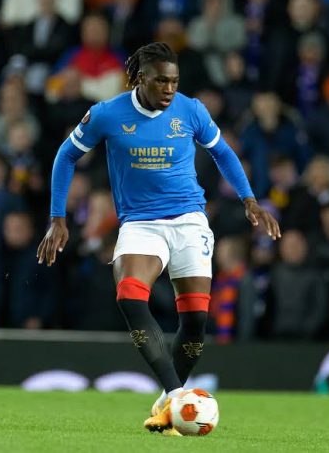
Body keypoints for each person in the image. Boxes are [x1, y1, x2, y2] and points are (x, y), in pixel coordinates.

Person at [37, 42, 280, 434]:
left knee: (196, 321)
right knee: (130, 296)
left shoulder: (191, 110)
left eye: (174, 81)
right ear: (139, 78)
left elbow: (223, 152)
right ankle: (176, 395)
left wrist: (249, 200)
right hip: (140, 224)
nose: (169, 89)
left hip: (189, 221)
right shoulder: (107, 114)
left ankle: (167, 405)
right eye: (161, 81)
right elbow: (66, 155)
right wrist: (57, 218)